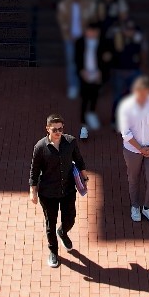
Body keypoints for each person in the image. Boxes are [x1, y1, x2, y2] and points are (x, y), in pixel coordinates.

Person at [29, 114, 88, 268]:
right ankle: (53, 252)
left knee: (70, 218)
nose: (58, 132)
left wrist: (84, 175)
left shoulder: (70, 142)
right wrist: (33, 191)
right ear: (47, 129)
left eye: (60, 129)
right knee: (51, 223)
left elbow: (79, 159)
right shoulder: (40, 147)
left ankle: (63, 232)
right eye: (54, 129)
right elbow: (34, 171)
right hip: (48, 193)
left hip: (68, 189)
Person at [117, 76, 149, 224]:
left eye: (146, 92)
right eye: (140, 93)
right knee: (133, 179)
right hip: (132, 150)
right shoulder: (125, 107)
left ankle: (148, 207)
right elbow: (125, 134)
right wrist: (141, 149)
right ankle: (135, 206)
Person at [57, 0, 96, 99]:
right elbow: (62, 21)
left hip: (84, 38)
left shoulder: (89, 3)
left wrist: (84, 35)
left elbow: (91, 19)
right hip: (70, 39)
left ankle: (86, 86)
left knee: (86, 62)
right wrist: (69, 35)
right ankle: (73, 86)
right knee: (71, 62)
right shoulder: (64, 4)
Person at [108, 19, 148, 126]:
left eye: (131, 30)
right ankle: (115, 120)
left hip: (134, 72)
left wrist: (142, 69)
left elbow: (143, 54)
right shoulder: (117, 39)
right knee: (118, 97)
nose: (129, 32)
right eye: (127, 29)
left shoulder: (138, 40)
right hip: (120, 72)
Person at [75, 23, 110, 140]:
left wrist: (101, 73)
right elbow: (77, 58)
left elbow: (107, 60)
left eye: (94, 32)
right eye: (90, 31)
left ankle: (92, 114)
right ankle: (83, 125)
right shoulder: (80, 42)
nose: (92, 34)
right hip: (85, 73)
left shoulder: (103, 43)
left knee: (94, 96)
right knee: (85, 98)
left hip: (96, 74)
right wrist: (81, 71)